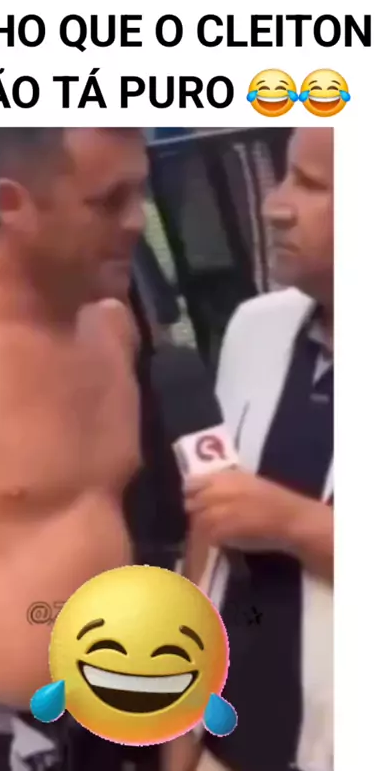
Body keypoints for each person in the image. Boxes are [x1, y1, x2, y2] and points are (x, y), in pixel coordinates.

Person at [0, 127, 148, 770]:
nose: (136, 221)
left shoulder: (115, 328)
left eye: (141, 193)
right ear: (15, 204)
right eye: (109, 200)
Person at [174, 127, 334, 771]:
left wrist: (297, 525)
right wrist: (180, 732)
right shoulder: (254, 326)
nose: (275, 205)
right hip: (226, 743)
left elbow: (262, 515)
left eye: (314, 185)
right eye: (288, 174)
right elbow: (210, 524)